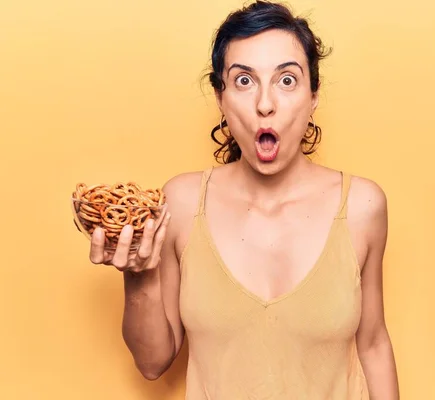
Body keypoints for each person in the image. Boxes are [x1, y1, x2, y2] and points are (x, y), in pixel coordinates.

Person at [88, 1, 400, 398]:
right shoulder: (181, 204)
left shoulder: (362, 207)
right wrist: (138, 276)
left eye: (286, 80)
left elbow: (372, 345)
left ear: (313, 95)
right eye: (243, 81)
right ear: (220, 97)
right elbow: (153, 363)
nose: (265, 104)